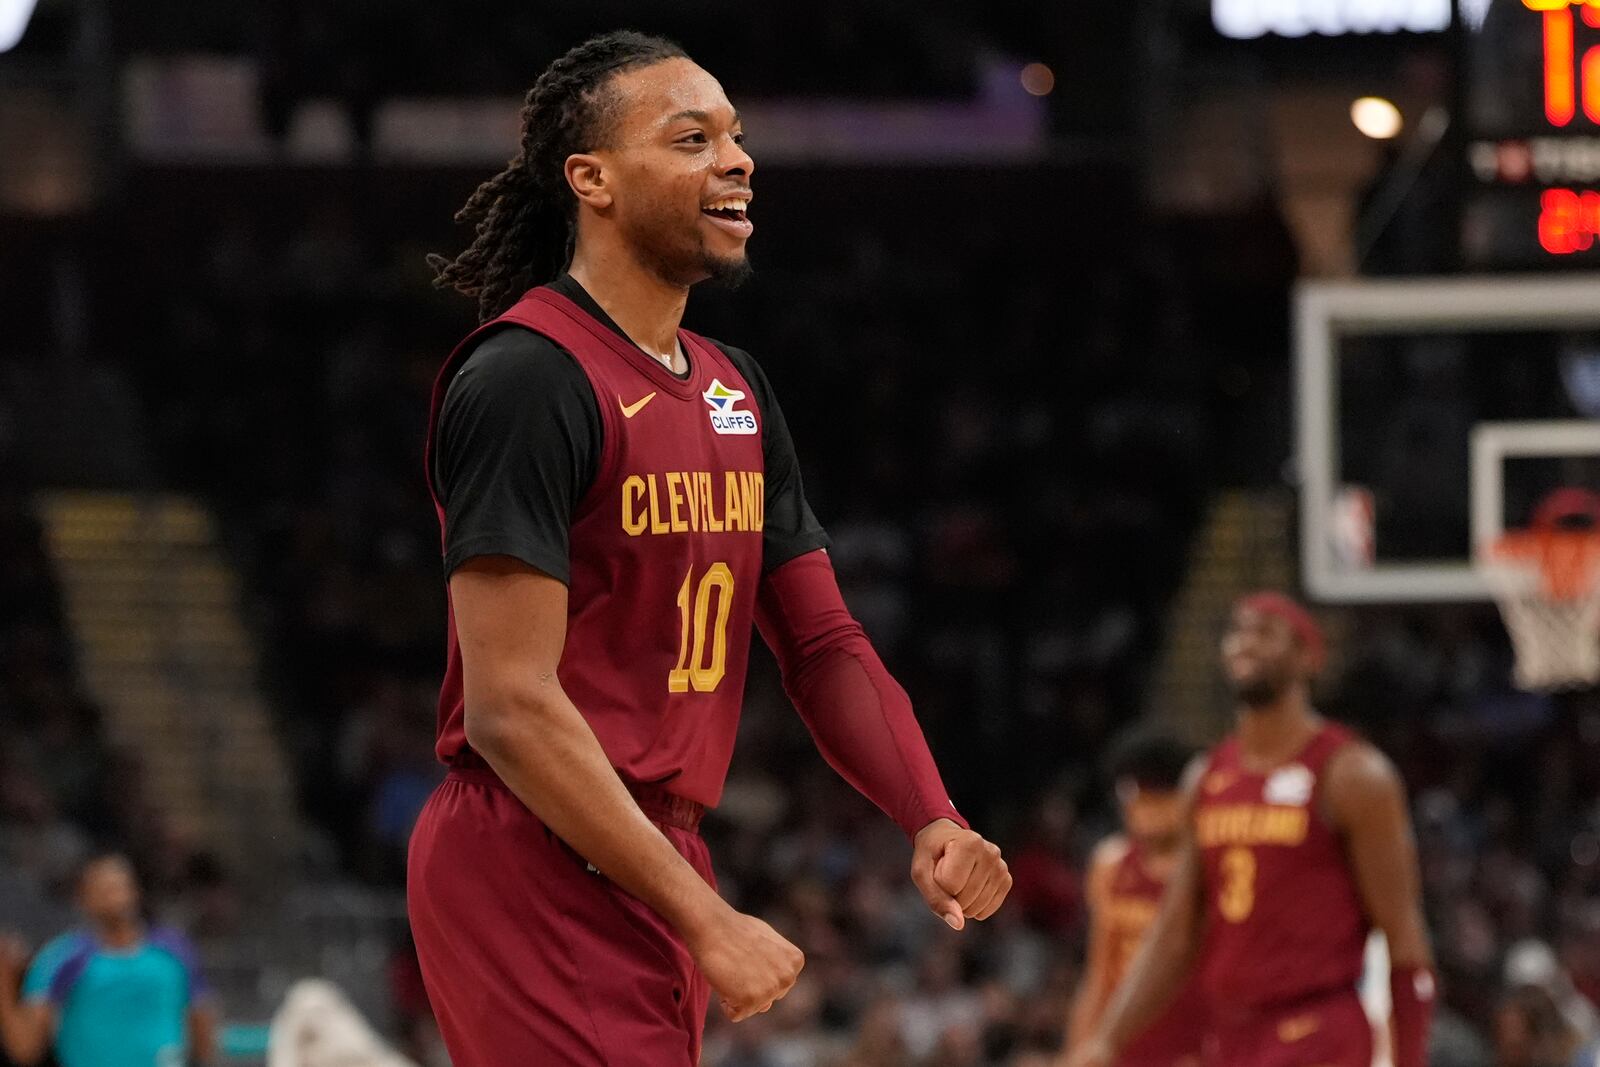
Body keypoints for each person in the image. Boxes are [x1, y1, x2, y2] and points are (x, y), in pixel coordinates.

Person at [407, 30, 1012, 1067]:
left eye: (736, 136)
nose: (736, 159)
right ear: (589, 178)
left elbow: (819, 641)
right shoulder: (528, 376)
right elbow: (509, 705)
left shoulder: (733, 387)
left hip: (647, 845)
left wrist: (931, 813)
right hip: (535, 843)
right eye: (692, 139)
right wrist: (707, 914)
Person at [1070, 592, 1435, 1067]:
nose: (1246, 641)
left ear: (1309, 657)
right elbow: (1174, 933)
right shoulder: (1206, 777)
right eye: (1238, 630)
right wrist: (1107, 1040)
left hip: (1317, 1031)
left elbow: (1404, 937)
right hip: (1231, 1037)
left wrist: (1409, 1058)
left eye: (1266, 631)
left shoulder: (1351, 774)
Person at [1064, 729, 1204, 1067]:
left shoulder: (1208, 869)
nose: (1144, 808)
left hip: (1196, 1046)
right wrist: (1077, 1049)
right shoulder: (1109, 864)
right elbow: (1099, 972)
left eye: (1156, 796)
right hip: (1125, 1046)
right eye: (1133, 796)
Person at [0, 853, 217, 1067]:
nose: (115, 898)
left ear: (135, 891)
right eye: (103, 891)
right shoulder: (61, 959)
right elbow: (25, 1048)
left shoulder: (174, 950)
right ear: (82, 899)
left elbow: (201, 1018)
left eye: (120, 887)